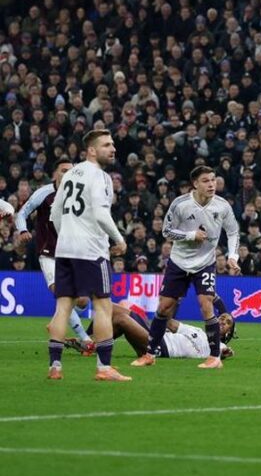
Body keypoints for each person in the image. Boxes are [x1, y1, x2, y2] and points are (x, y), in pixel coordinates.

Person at [131, 166, 240, 369]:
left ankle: (214, 357)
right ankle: (149, 354)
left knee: (206, 303)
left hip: (205, 263)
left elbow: (233, 231)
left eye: (213, 180)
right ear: (195, 184)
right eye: (206, 181)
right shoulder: (181, 204)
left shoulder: (222, 206)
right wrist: (191, 235)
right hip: (179, 262)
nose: (211, 185)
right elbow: (166, 231)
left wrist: (232, 256)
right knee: (164, 308)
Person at [46, 130, 129, 382]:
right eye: (106, 145)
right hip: (91, 250)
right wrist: (119, 239)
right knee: (102, 306)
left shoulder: (69, 174)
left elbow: (55, 215)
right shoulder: (101, 176)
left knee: (63, 307)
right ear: (91, 150)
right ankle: (104, 368)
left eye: (113, 144)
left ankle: (55, 367)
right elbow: (102, 214)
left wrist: (67, 237)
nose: (112, 148)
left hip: (65, 249)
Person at [16, 158, 94, 353]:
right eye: (64, 170)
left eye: (72, 171)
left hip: (72, 252)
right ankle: (85, 339)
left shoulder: (79, 194)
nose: (68, 174)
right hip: (49, 253)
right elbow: (21, 213)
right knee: (62, 294)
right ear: (55, 174)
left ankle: (57, 322)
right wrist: (23, 230)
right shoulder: (44, 193)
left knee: (83, 300)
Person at [106, 301, 235, 361]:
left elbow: (224, 351)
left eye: (228, 322)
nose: (223, 321)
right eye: (222, 318)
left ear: (228, 333)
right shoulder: (197, 331)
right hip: (156, 335)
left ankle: (96, 346)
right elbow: (170, 323)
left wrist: (226, 352)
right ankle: (91, 343)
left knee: (121, 319)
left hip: (161, 347)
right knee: (113, 308)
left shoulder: (218, 344)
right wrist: (166, 308)